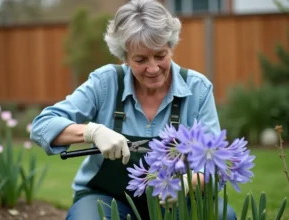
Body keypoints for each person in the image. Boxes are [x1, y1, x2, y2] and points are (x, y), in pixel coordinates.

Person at [30, 0, 237, 219]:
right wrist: (92, 132)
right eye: (140, 59)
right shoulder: (105, 82)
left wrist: (187, 183)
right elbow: (42, 126)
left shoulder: (198, 88)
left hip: (177, 197)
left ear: (171, 47)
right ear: (125, 58)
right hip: (107, 197)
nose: (153, 68)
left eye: (160, 55)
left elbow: (213, 160)